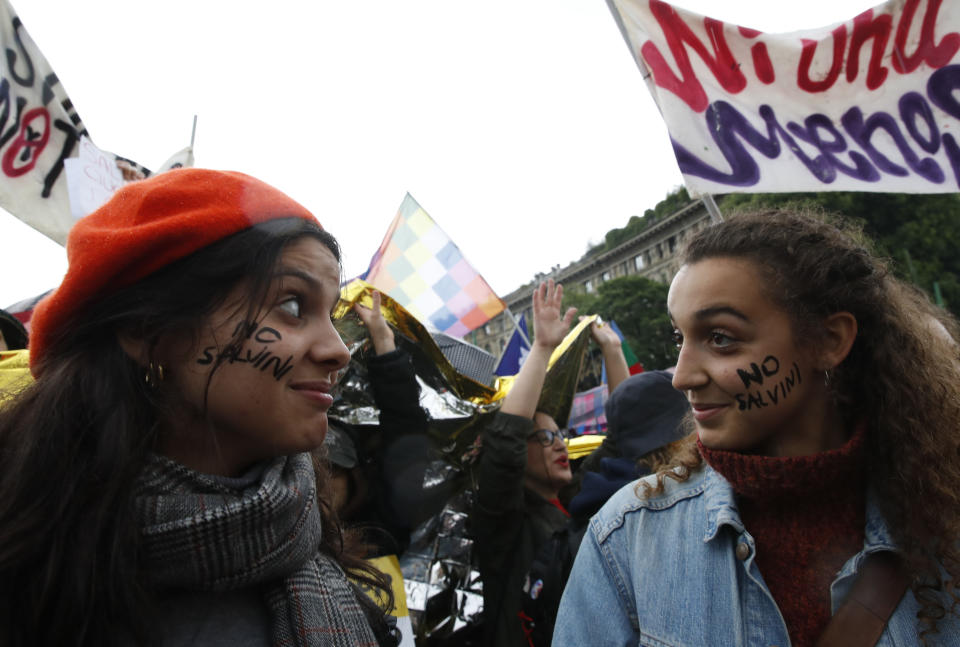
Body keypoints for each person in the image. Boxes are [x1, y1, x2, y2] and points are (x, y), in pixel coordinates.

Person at [0, 169, 397, 646]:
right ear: (150, 333)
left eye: (330, 314)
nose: (339, 350)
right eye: (293, 306)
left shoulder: (316, 544)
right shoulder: (28, 576)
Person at [555, 209, 960, 646]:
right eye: (680, 338)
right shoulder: (627, 536)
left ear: (829, 341)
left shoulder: (943, 517)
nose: (681, 375)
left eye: (721, 338)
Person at [471, 279, 578, 647]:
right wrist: (543, 347)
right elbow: (505, 440)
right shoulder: (506, 524)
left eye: (560, 435)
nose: (559, 444)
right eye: (544, 437)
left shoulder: (577, 508)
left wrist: (610, 349)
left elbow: (629, 441)